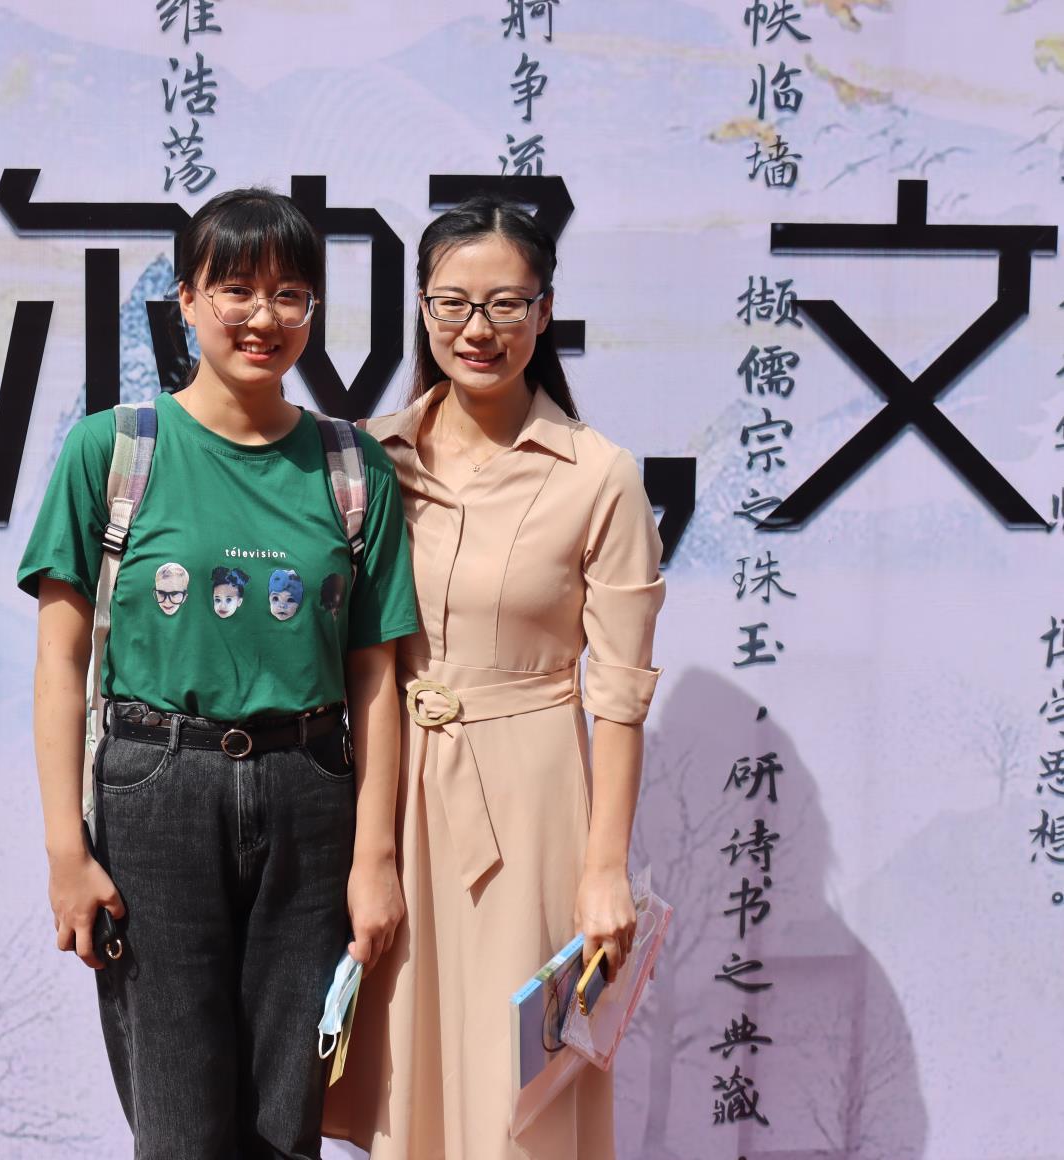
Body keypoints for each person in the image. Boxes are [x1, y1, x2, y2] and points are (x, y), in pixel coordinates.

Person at [18, 187, 420, 1160]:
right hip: (157, 791)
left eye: (289, 294)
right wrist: (67, 849)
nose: (263, 317)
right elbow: (60, 661)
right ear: (188, 301)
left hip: (310, 794)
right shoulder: (112, 451)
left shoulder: (354, 467)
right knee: (179, 1125)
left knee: (286, 1122)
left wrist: (374, 857)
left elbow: (376, 678)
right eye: (236, 288)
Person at [323, 196, 666, 1160]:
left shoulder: (598, 474)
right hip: (391, 794)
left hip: (532, 801)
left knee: (521, 1095)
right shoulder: (365, 460)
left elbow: (620, 692)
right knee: (410, 1080)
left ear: (545, 311)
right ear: (422, 310)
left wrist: (605, 869)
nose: (479, 329)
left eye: (507, 304)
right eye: (453, 303)